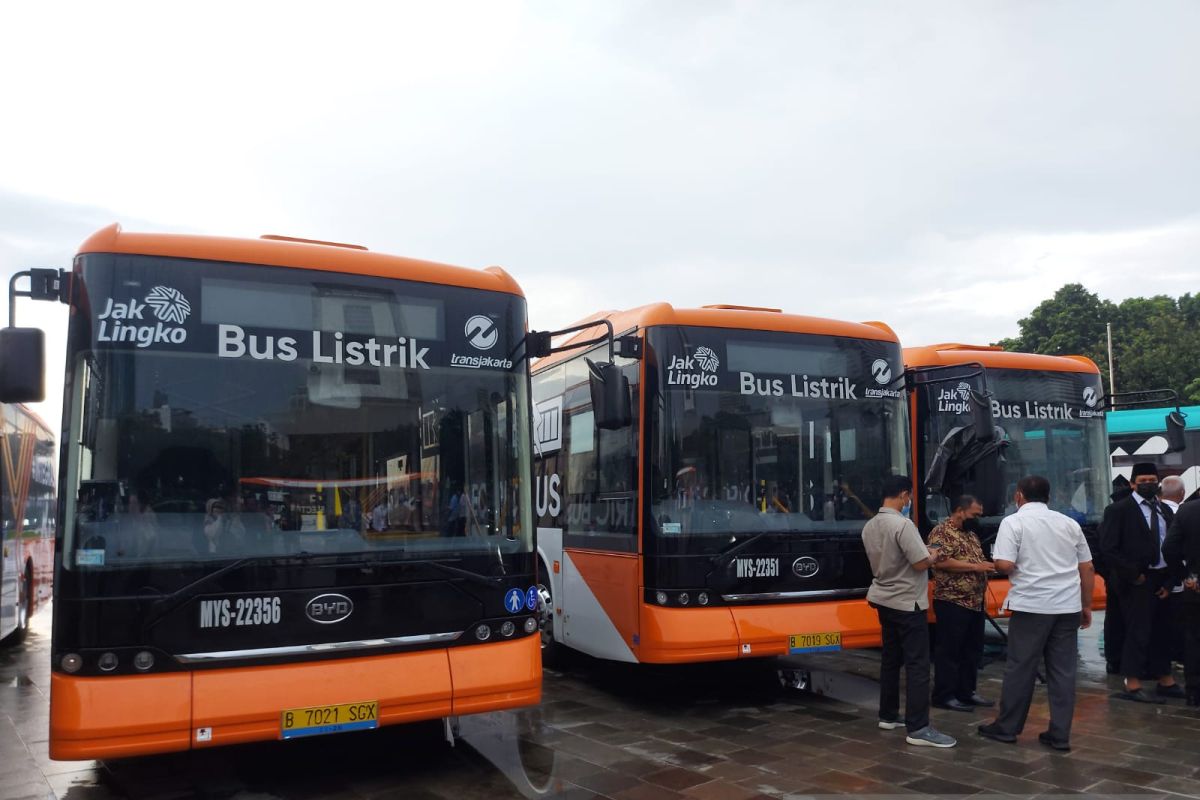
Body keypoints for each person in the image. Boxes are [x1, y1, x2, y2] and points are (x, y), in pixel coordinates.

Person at [978, 475, 1094, 752]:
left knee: (1021, 667)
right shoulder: (1069, 523)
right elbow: (1087, 568)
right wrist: (1086, 605)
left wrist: (995, 562)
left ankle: (1007, 728)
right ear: (1048, 497)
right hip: (1067, 606)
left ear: (1019, 496)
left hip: (1032, 606)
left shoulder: (1014, 522)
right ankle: (1060, 734)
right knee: (1063, 672)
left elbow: (1005, 564)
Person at [861, 474, 956, 748]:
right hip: (907, 601)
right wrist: (934, 556)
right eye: (909, 496)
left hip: (883, 597)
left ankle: (888, 715)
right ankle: (919, 727)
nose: (909, 501)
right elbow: (919, 563)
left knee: (891, 659)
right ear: (903, 495)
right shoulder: (903, 524)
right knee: (917, 665)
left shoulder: (870, 526)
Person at [1099, 462, 1183, 702]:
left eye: (1151, 480)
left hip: (1162, 577)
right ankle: (1132, 683)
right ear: (1133, 484)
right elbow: (1109, 548)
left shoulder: (1164, 510)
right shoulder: (1119, 510)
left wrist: (1170, 581)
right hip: (1136, 579)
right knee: (1138, 630)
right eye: (1142, 481)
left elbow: (1172, 544)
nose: (1148, 485)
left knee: (1163, 630)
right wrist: (1134, 575)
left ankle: (1164, 679)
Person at [929, 495, 994, 713]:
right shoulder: (940, 532)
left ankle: (966, 691)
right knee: (949, 651)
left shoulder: (971, 535)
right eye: (974, 515)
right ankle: (944, 695)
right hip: (952, 601)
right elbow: (940, 561)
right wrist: (976, 568)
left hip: (974, 602)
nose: (978, 519)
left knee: (972, 650)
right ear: (959, 510)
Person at [1163, 490, 1200, 706]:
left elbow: (1169, 548)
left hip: (1195, 586)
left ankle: (1194, 691)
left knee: (1194, 638)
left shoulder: (1187, 510)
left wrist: (1185, 576)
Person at [1101, 476, 1132, 674]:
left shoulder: (1108, 520)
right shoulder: (1124, 520)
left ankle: (1115, 659)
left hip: (1113, 578)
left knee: (1115, 621)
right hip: (1123, 578)